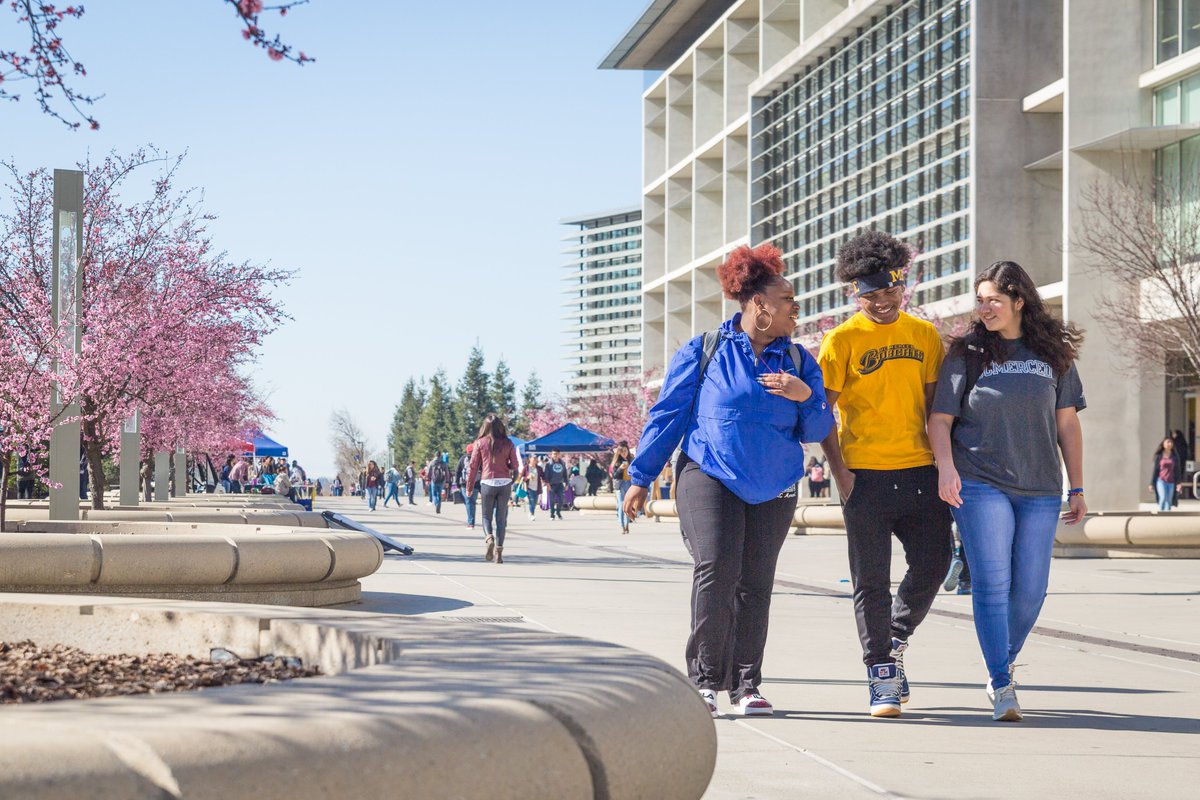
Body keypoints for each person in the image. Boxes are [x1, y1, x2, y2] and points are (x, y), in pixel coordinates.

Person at [623, 243, 834, 718]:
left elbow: (818, 429)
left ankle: (746, 685)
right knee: (717, 568)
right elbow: (669, 416)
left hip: (774, 486)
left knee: (756, 585)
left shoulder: (800, 361)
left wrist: (805, 397)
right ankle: (703, 681)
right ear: (759, 305)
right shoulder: (706, 351)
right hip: (709, 473)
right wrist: (641, 476)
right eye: (788, 300)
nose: (796, 309)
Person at [929, 260, 1087, 722]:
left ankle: (1001, 657)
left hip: (1040, 485)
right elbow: (940, 420)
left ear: (1019, 300)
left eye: (993, 299)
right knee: (994, 584)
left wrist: (1077, 486)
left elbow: (1068, 424)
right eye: (980, 300)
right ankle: (1002, 682)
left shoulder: (1053, 354)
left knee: (1032, 589)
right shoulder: (967, 352)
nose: (985, 308)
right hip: (979, 480)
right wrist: (946, 469)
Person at [817, 230, 952, 718]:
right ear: (855, 293)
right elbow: (821, 415)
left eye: (888, 291)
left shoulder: (924, 335)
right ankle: (881, 677)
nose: (880, 301)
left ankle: (895, 635)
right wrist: (840, 472)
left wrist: (944, 465)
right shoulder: (840, 340)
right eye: (868, 294)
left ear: (903, 285)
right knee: (870, 581)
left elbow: (938, 408)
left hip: (921, 472)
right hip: (866, 479)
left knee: (936, 563)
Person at [467, 414, 520, 564]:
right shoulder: (508, 443)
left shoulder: (479, 443)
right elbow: (515, 467)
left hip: (487, 482)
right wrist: (512, 479)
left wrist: (469, 487)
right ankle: (499, 554)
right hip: (504, 483)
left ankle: (489, 537)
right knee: (501, 520)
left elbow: (472, 467)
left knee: (486, 516)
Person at [1150, 436, 1183, 512]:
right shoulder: (1159, 456)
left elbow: (1177, 470)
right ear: (1163, 444)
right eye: (1167, 442)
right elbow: (1155, 470)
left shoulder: (1175, 456)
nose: (1169, 444)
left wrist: (1178, 483)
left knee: (1169, 501)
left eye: (1171, 442)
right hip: (1161, 481)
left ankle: (1167, 516)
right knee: (1163, 497)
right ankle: (1161, 514)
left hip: (1171, 481)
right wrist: (1151, 483)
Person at [611, 442, 634, 534]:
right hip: (620, 484)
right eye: (622, 451)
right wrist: (620, 468)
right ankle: (622, 526)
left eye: (625, 451)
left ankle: (627, 524)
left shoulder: (631, 459)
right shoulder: (617, 462)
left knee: (628, 504)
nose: (624, 453)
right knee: (621, 505)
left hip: (629, 483)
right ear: (619, 452)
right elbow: (615, 475)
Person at [543, 449, 568, 520]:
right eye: (553, 454)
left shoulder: (562, 463)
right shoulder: (549, 464)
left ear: (559, 454)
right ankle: (552, 514)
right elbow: (546, 475)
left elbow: (565, 474)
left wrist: (567, 484)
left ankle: (558, 512)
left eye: (556, 454)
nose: (555, 455)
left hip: (560, 484)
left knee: (561, 499)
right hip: (551, 484)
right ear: (551, 454)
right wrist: (547, 484)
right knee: (552, 500)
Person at [521, 455, 542, 520]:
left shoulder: (539, 468)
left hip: (537, 487)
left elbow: (543, 476)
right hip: (529, 487)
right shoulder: (526, 468)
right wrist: (527, 477)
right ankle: (532, 514)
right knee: (532, 500)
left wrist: (546, 482)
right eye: (533, 460)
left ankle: (531, 512)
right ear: (530, 460)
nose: (534, 461)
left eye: (535, 460)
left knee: (535, 502)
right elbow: (521, 477)